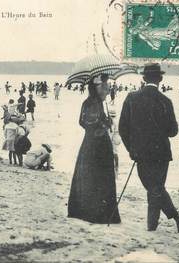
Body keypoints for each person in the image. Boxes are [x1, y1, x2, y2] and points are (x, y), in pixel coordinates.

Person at [119, 63, 179, 234]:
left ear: (144, 78)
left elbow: (122, 128)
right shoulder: (166, 101)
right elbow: (173, 132)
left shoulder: (131, 98)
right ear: (160, 79)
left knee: (154, 189)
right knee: (156, 188)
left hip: (140, 153)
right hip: (162, 154)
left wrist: (131, 149)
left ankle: (152, 226)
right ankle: (176, 219)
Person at [67, 74, 121, 224]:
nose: (106, 91)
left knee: (91, 175)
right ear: (96, 88)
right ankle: (96, 213)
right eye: (104, 88)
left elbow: (83, 122)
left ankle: (87, 210)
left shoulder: (93, 102)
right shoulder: (92, 103)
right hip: (97, 144)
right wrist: (104, 123)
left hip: (92, 143)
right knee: (98, 176)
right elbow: (87, 122)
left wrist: (106, 121)